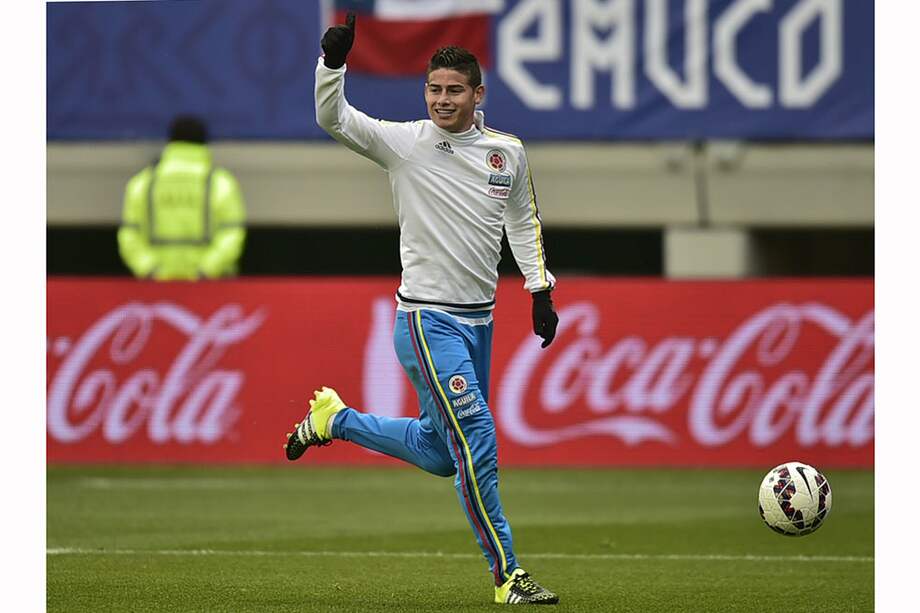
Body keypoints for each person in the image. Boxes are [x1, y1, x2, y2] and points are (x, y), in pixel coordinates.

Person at [285, 13, 559, 605]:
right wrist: (331, 66)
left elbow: (522, 219)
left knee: (442, 454)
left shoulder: (505, 154)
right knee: (478, 439)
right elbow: (332, 118)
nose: (441, 100)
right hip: (425, 319)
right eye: (434, 89)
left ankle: (336, 421)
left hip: (478, 322)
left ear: (477, 94)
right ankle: (509, 575)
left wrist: (539, 289)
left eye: (454, 90)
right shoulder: (406, 144)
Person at [118, 115, 246, 280]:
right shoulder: (220, 184)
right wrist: (205, 271)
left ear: (171, 142)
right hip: (212, 290)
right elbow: (232, 233)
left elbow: (130, 235)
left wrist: (151, 271)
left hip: (155, 290)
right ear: (204, 143)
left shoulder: (143, 183)